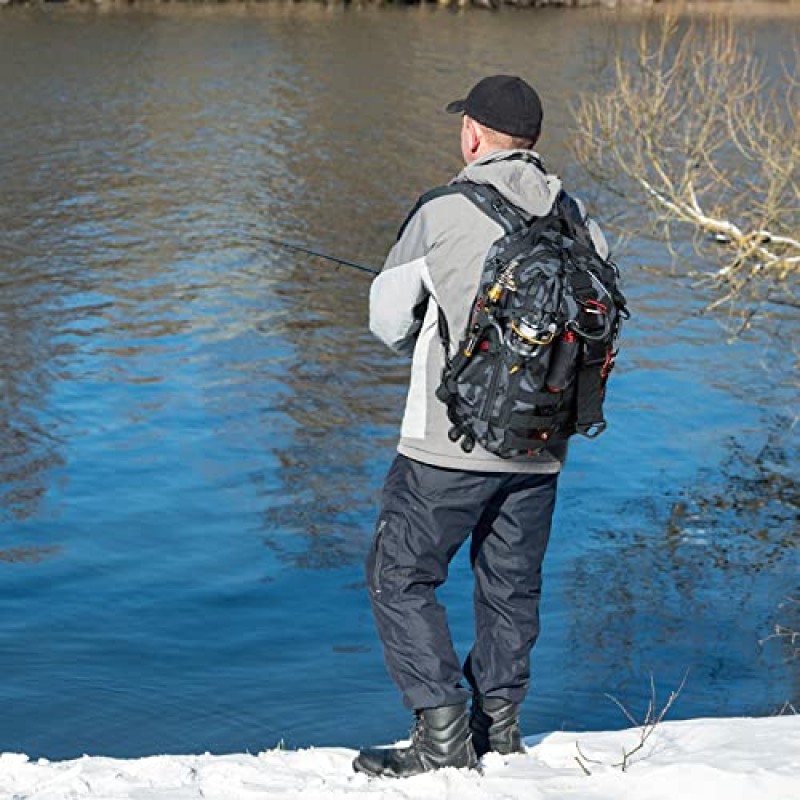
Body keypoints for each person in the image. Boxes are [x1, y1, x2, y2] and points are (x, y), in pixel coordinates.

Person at [353, 75, 609, 779]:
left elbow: (386, 325)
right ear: (531, 143)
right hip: (542, 449)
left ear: (472, 135)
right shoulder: (581, 219)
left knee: (398, 576)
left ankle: (440, 732)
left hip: (446, 445)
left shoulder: (443, 211)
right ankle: (497, 728)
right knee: (510, 587)